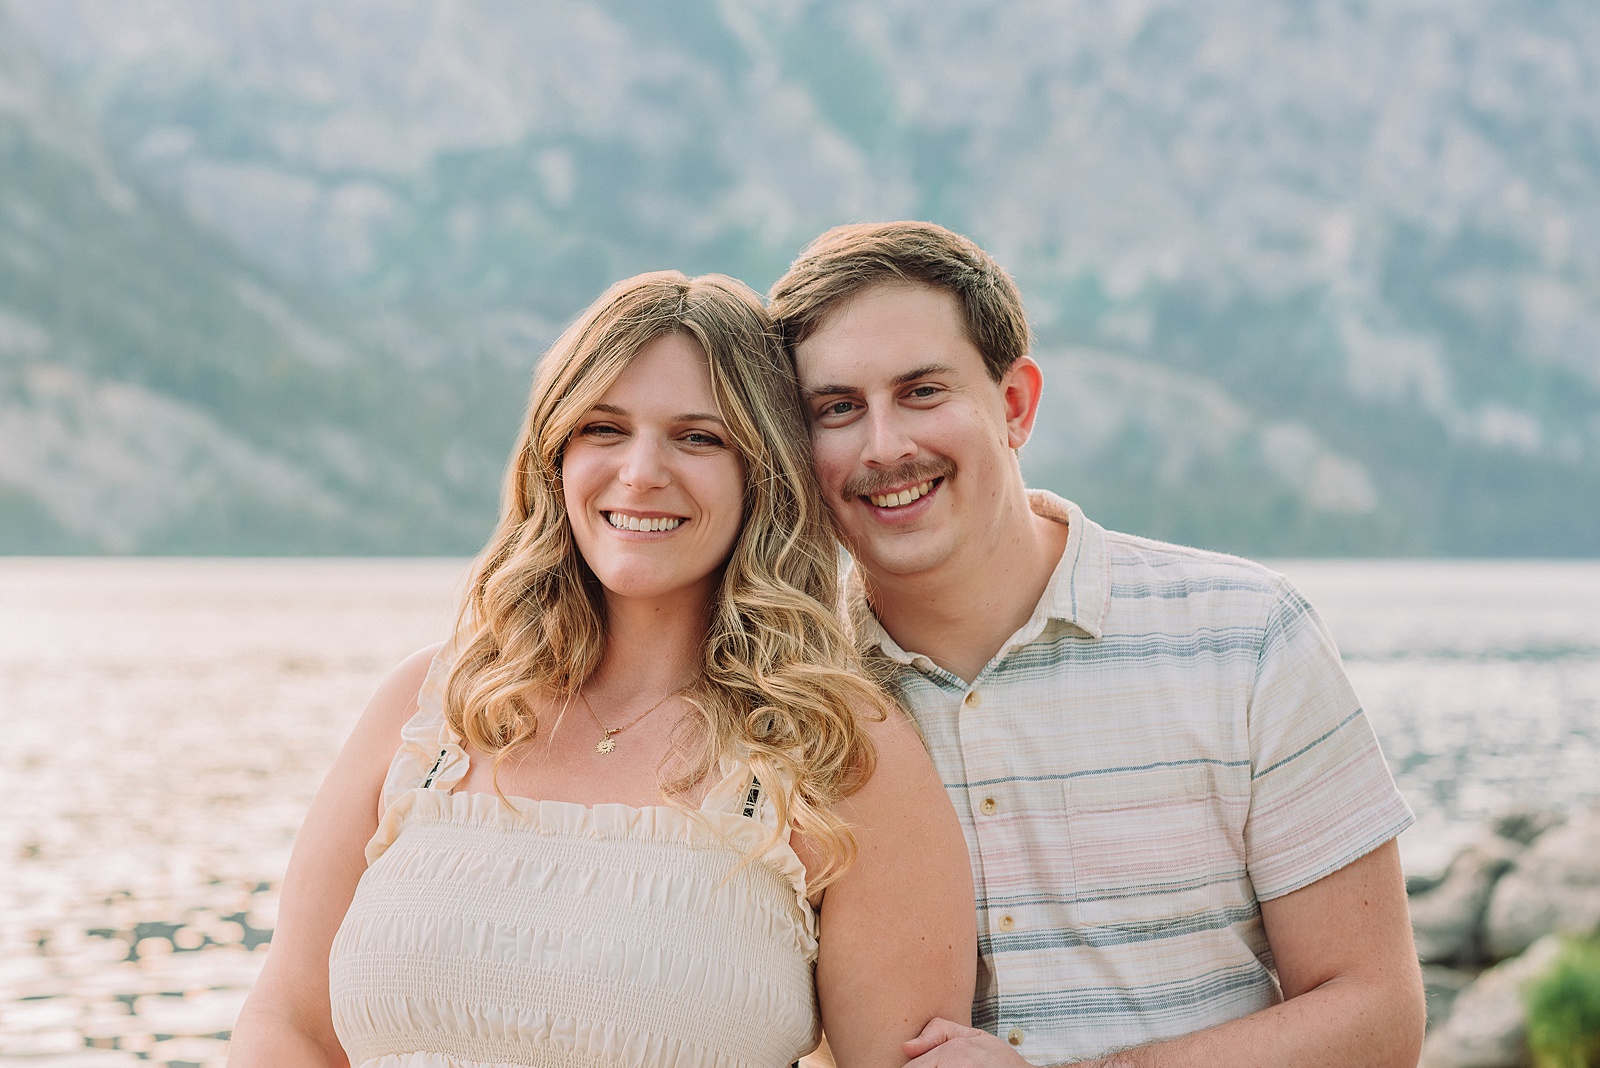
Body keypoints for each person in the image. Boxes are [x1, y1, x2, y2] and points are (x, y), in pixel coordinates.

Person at [228, 271, 976, 1068]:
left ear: (761, 472)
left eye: (698, 437)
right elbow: (291, 1026)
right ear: (554, 455)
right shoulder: (428, 708)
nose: (642, 471)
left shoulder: (838, 747)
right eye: (604, 429)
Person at [768, 223, 1426, 1068]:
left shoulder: (1248, 639)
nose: (885, 446)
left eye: (924, 391)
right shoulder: (787, 699)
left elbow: (1377, 1021)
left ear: (1015, 405)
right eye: (838, 409)